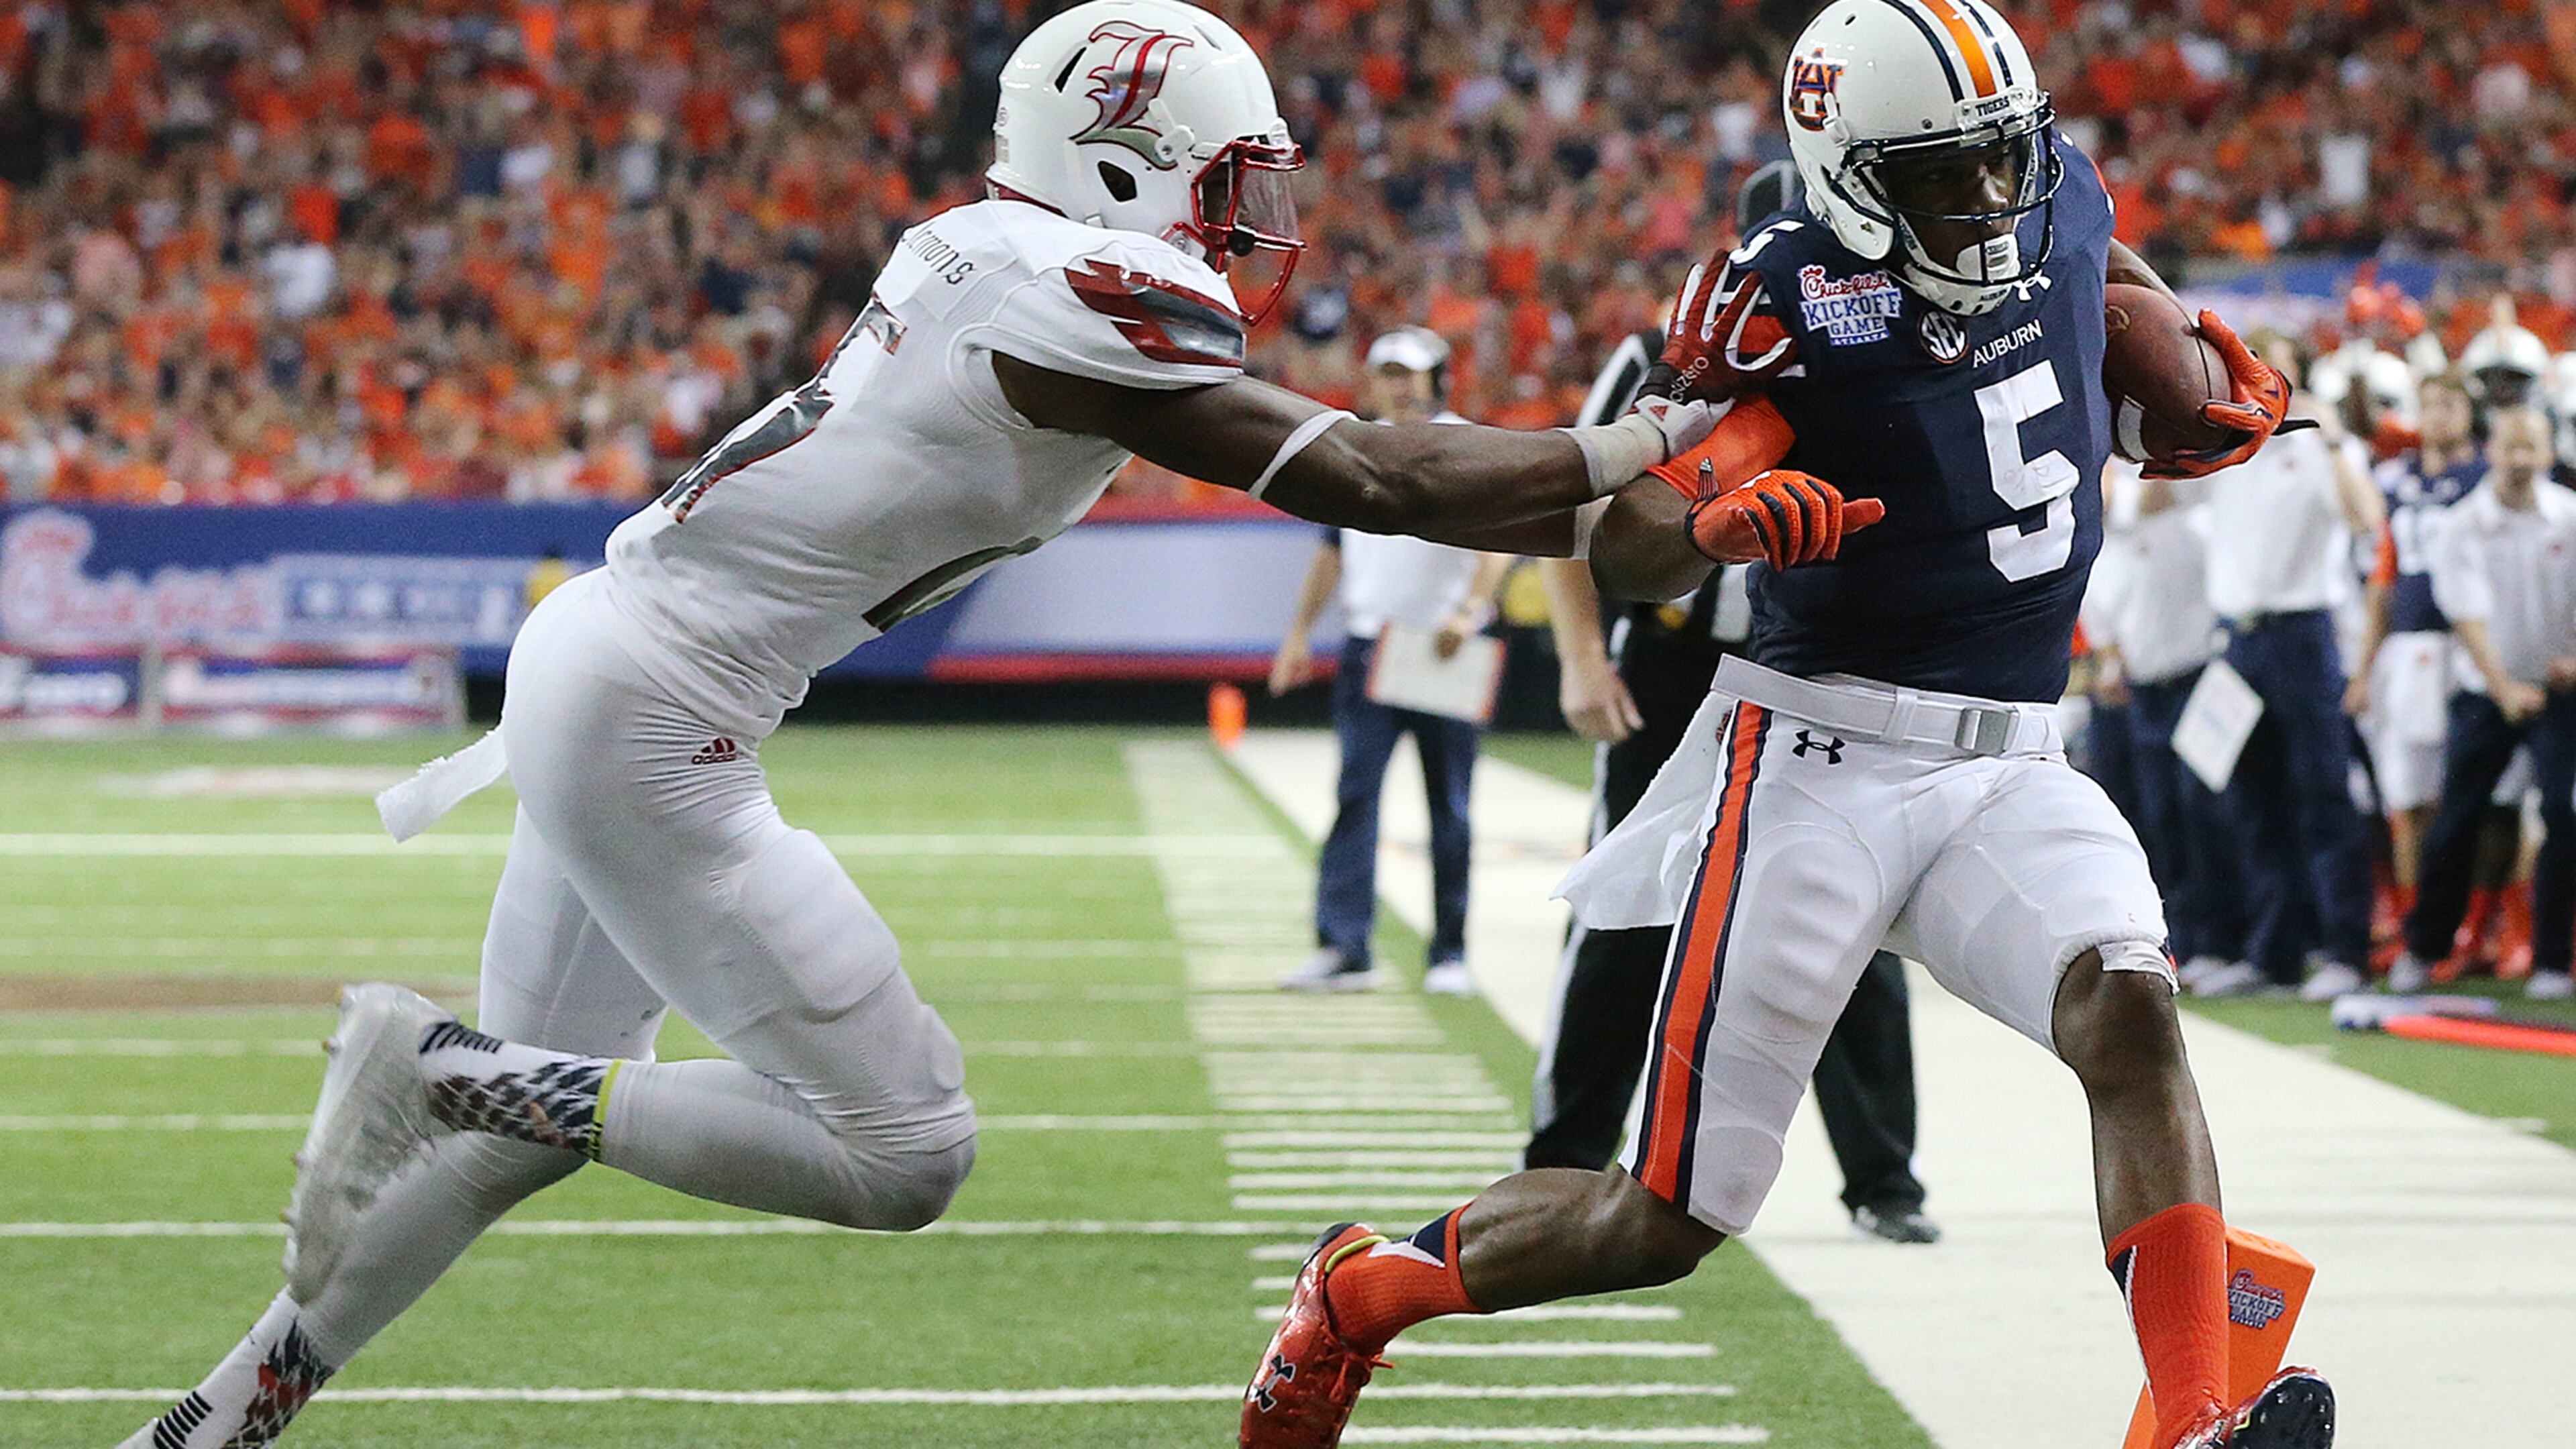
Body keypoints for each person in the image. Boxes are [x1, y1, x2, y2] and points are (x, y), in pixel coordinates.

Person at [115, 5, 1727, 1446]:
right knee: (904, 1151)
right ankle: (432, 1058)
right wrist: (1653, 434)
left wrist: (1650, 498)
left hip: (603, 664)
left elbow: (1401, 477)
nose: (1251, 220)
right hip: (654, 715)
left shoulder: (992, 251)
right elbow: (1377, 476)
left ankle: (215, 1419)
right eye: (1226, 180)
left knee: (520, 1121)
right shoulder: (1081, 293)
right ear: (1117, 163)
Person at [1240, 5, 2334, 1449]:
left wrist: (2184, 383)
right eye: (1942, 171)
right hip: (1821, 763)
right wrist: (1715, 526)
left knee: (2129, 1010)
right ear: (1849, 173)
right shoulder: (1779, 295)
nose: (1988, 195)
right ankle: (1358, 1293)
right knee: (1659, 1220)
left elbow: (2101, 280)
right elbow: (1629, 545)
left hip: (2015, 752)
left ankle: (2196, 1417)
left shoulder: (2054, 192)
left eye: (2001, 157)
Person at [1529, 163, 1937, 1248]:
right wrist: (1582, 658)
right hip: (1675, 664)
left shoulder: (1887, 356)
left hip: (1819, 667)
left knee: (1849, 911)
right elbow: (1577, 516)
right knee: (1627, 909)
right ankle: (1561, 1159)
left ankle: (1886, 1178)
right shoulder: (1667, 363)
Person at [1271, 328, 1511, 995]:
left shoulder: (1463, 444)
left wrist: (1470, 611)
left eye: (1412, 373)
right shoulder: (1354, 444)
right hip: (1370, 644)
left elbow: (1499, 542)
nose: (1401, 386)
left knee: (1450, 806)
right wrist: (1299, 631)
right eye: (1389, 373)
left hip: (1441, 644)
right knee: (1356, 796)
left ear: (1439, 378)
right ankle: (1345, 947)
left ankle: (1450, 952)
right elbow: (1332, 548)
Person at [2191, 341, 2383, 1001]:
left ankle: (2344, 950)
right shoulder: (2222, 441)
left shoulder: (2320, 444)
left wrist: (2329, 440)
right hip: (2236, 638)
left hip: (2302, 633)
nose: (2258, 378)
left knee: (2322, 794)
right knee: (2251, 801)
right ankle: (2272, 954)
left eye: (2272, 365)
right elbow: (2148, 503)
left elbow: (2367, 520)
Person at [2389, 406, 2576, 1001]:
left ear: (2548, 453)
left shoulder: (2570, 517)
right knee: (2456, 820)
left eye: (2531, 447)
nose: (2520, 459)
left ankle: (2553, 959)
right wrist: (2503, 688)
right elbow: (2466, 616)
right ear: (2490, 451)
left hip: (2561, 693)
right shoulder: (2462, 525)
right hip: (2485, 690)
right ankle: (2424, 949)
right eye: (2510, 446)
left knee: (2563, 814)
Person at [2086, 460, 2247, 987]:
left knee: (2209, 813)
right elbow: (2103, 618)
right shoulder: (2097, 547)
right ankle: (2184, 939)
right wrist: (2111, 659)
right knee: (2161, 819)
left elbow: (2161, 496)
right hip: (2145, 690)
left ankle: (2229, 940)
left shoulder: (2179, 519)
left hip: (2200, 679)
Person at [2345, 373, 2482, 967]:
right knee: (2409, 797)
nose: (2439, 415)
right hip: (2411, 645)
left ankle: (2483, 926)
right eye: (2429, 405)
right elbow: (2384, 576)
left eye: (2450, 403)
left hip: (2474, 645)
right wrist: (2364, 667)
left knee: (2489, 796)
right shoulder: (2396, 480)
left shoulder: (2487, 475)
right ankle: (2416, 923)